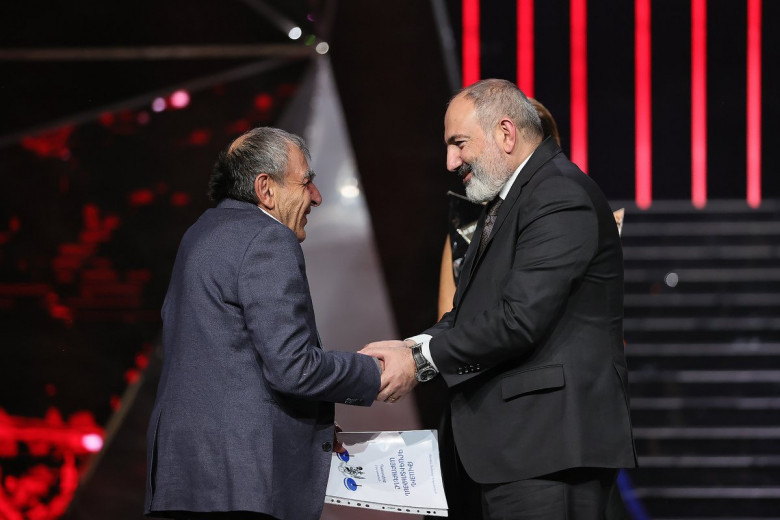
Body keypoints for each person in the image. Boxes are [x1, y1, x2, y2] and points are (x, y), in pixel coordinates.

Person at [362, 79, 637, 519]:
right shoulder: (507, 203)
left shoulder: (559, 195)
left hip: (548, 452)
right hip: (515, 453)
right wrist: (409, 349)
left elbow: (518, 319)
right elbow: (468, 314)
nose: (450, 161)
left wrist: (419, 360)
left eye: (459, 143)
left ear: (506, 134)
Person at [145, 127, 382, 520]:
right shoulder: (266, 238)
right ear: (266, 189)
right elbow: (294, 368)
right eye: (306, 182)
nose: (317, 197)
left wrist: (306, 429)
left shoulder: (200, 234)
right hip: (241, 487)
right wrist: (377, 373)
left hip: (183, 481)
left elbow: (227, 369)